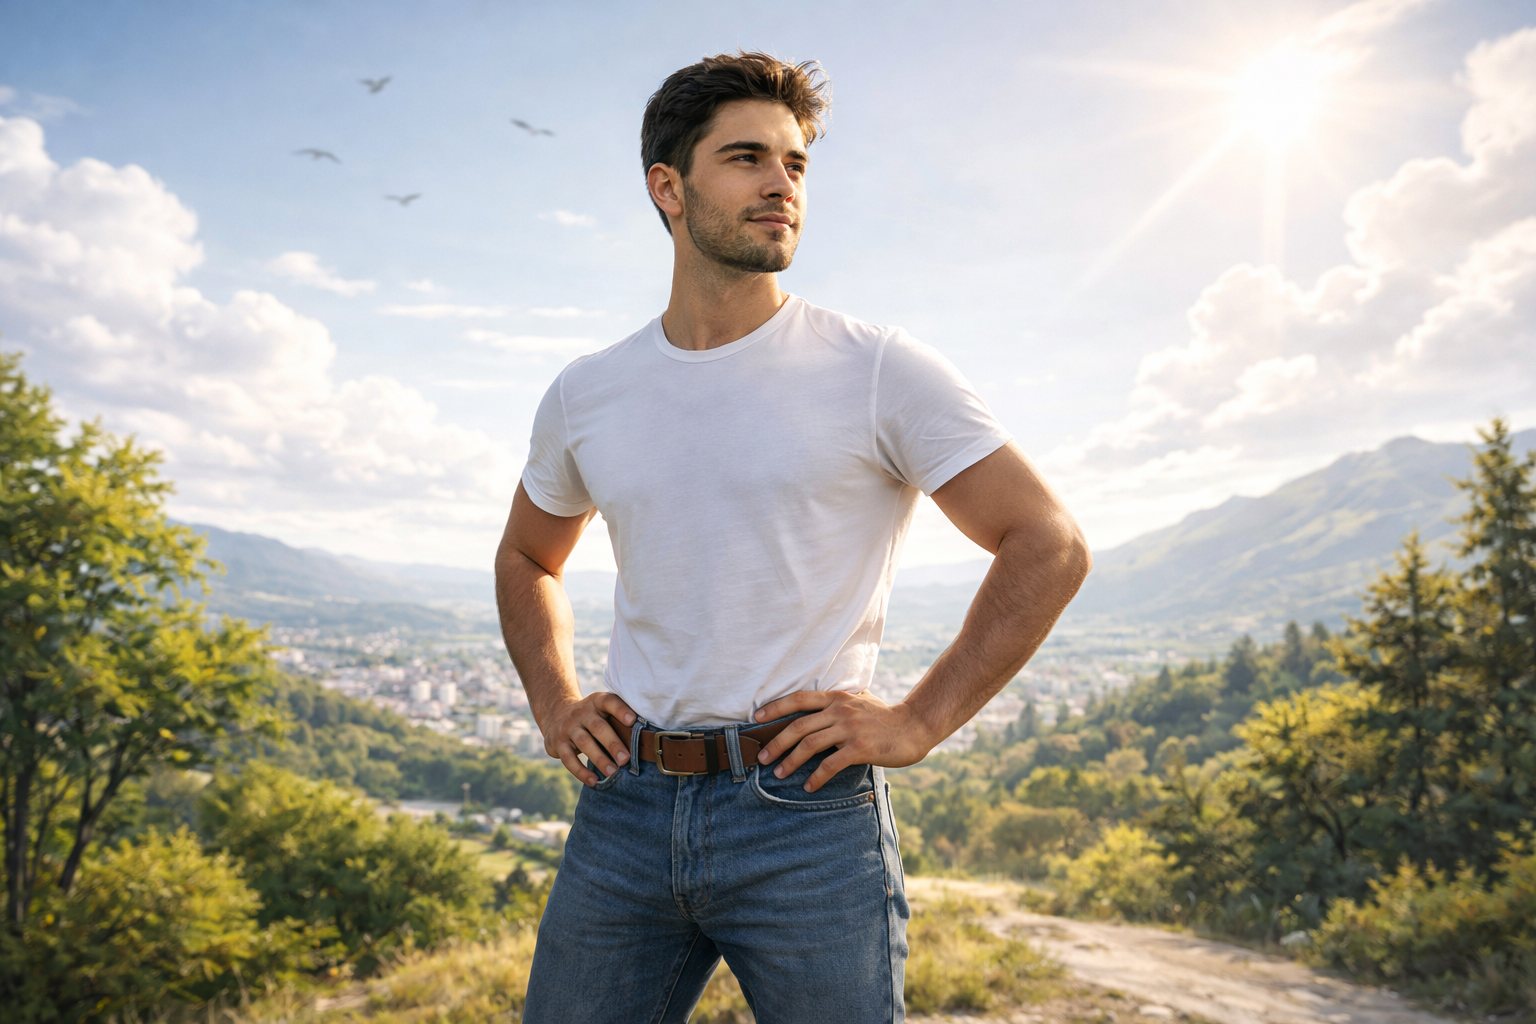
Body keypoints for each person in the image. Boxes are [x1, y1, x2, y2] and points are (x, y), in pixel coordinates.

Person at [496, 51, 1091, 1024]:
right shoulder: (587, 392)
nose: (783, 184)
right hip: (625, 808)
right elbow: (527, 557)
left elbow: (1048, 541)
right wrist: (555, 700)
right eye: (746, 158)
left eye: (797, 162)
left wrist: (918, 721)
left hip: (804, 815)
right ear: (669, 187)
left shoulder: (875, 369)